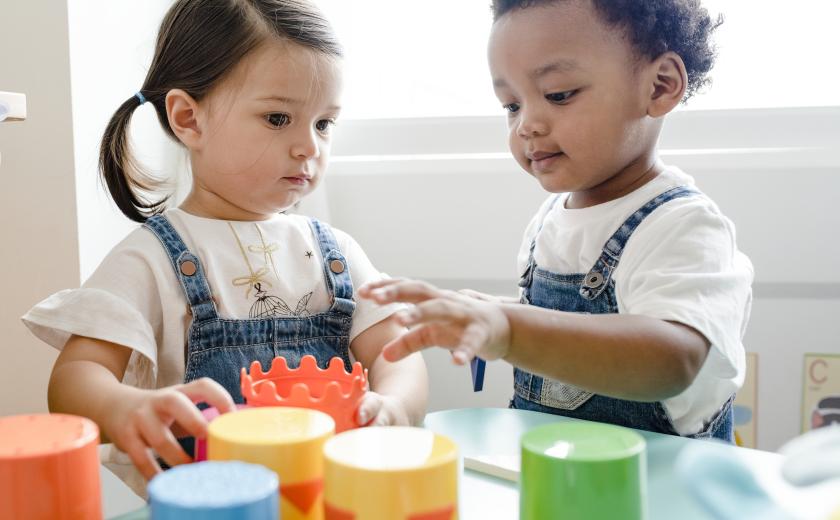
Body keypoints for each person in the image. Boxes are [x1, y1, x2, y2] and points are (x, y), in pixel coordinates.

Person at [22, 0, 427, 493]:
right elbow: (75, 379)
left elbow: (397, 353)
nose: (309, 147)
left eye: (324, 124)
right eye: (278, 118)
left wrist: (395, 406)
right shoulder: (152, 258)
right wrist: (124, 407)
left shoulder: (334, 252)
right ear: (189, 119)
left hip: (329, 499)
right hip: (207, 504)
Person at [361, 0, 751, 441]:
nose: (526, 124)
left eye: (558, 94)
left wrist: (510, 328)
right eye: (511, 105)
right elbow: (561, 322)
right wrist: (493, 313)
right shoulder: (550, 220)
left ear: (659, 86)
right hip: (563, 475)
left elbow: (673, 359)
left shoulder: (683, 225)